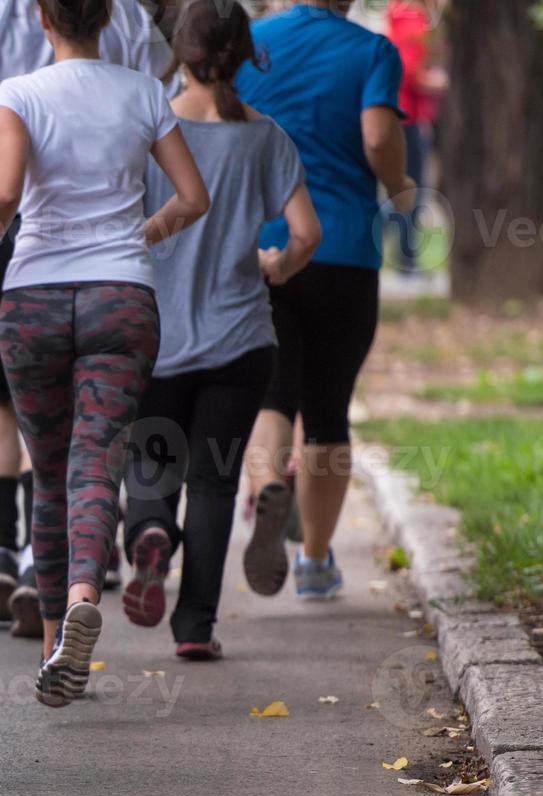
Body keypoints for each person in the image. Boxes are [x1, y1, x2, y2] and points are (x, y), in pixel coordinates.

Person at [0, 0, 207, 706]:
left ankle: (50, 643)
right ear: (106, 20)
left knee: (48, 470)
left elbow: (2, 192)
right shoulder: (143, 91)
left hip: (32, 296)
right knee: (98, 460)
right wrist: (140, 237)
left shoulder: (19, 94)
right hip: (119, 298)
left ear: (43, 19)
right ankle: (80, 599)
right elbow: (192, 197)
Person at [0, 0, 171, 636]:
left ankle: (2, 548)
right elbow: (170, 99)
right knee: (91, 443)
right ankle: (55, 572)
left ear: (44, 19)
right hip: (115, 265)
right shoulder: (135, 25)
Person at [122, 0, 319, 661]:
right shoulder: (265, 136)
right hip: (239, 341)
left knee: (150, 460)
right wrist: (276, 266)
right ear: (245, 55)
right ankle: (195, 627)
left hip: (152, 333)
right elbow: (305, 234)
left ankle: (149, 533)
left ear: (177, 48)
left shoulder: (146, 130)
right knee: (212, 480)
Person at [238, 0, 413, 602]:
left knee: (273, 390)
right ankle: (314, 562)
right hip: (343, 248)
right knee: (329, 408)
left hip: (258, 243)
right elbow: (376, 135)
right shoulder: (372, 51)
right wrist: (402, 187)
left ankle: (265, 487)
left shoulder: (249, 40)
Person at [385, 0, 445, 275]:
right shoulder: (413, 21)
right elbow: (410, 72)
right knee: (412, 189)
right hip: (408, 117)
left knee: (406, 189)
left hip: (401, 115)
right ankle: (407, 259)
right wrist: (442, 82)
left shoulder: (400, 15)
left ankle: (406, 258)